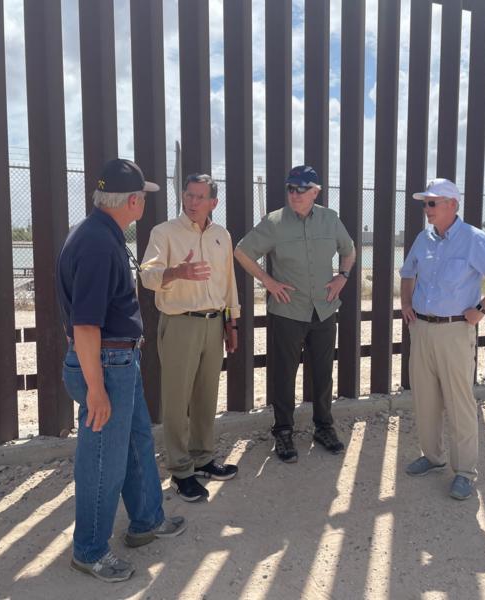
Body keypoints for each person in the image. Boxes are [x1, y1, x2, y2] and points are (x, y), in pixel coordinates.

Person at [56, 158, 187, 583]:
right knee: (102, 462)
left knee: (135, 442)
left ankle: (146, 521)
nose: (144, 203)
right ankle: (89, 551)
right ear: (132, 200)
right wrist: (96, 388)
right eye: (143, 197)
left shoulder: (100, 234)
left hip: (117, 361)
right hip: (105, 365)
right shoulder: (96, 243)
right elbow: (85, 324)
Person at [399, 178, 485, 500]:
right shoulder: (422, 240)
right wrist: (407, 304)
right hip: (422, 330)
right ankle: (433, 456)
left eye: (433, 203)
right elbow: (407, 271)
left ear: (453, 205)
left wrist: (481, 309)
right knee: (425, 398)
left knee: (459, 401)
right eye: (425, 203)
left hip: (455, 332)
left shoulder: (473, 240)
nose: (427, 209)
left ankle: (465, 471)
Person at [234, 165, 356, 463]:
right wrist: (269, 281)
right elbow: (241, 251)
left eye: (301, 189)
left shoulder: (330, 219)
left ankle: (324, 427)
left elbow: (349, 250)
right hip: (287, 311)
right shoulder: (274, 222)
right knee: (284, 374)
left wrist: (342, 276)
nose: (294, 194)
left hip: (324, 310)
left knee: (323, 372)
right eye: (290, 188)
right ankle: (283, 431)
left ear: (316, 191)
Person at [139, 173, 240, 502]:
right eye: (188, 195)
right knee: (176, 398)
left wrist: (231, 324)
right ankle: (181, 470)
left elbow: (228, 284)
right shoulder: (164, 233)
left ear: (214, 202)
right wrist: (176, 272)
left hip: (214, 323)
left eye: (200, 197)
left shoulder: (222, 236)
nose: (192, 202)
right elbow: (147, 276)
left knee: (206, 395)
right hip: (180, 322)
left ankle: (203, 458)